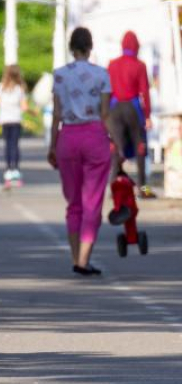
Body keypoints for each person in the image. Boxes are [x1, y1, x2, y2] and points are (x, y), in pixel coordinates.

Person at [48, 27, 112, 276]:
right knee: (92, 202)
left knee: (73, 203)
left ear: (71, 47)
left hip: (68, 138)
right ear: (90, 46)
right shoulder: (101, 75)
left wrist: (53, 145)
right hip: (94, 136)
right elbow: (106, 113)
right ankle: (84, 259)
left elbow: (55, 114)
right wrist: (115, 141)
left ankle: (76, 257)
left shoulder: (59, 75)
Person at [107, 31, 155, 198]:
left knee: (115, 151)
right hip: (133, 109)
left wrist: (104, 116)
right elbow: (145, 92)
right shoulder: (139, 65)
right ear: (137, 46)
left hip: (115, 110)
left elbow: (106, 91)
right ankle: (143, 190)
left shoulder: (112, 65)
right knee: (140, 149)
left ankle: (114, 189)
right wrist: (147, 115)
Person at [0, 65, 28, 188]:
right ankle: (16, 171)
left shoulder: (0, 87)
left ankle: (8, 170)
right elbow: (24, 107)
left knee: (7, 145)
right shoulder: (20, 89)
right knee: (15, 145)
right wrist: (32, 112)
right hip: (16, 119)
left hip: (4, 119)